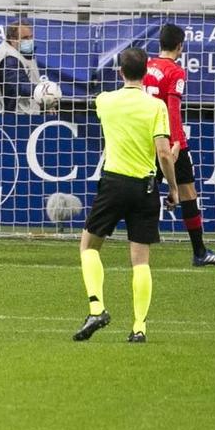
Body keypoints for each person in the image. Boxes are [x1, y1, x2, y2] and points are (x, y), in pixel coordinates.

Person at [75, 46, 180, 343]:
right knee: (140, 261)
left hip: (113, 183)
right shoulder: (156, 107)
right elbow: (162, 151)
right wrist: (172, 188)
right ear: (146, 72)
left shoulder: (105, 101)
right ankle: (139, 328)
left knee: (89, 247)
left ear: (120, 72)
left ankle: (97, 307)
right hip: (145, 187)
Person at [144, 23, 215, 268]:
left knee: (142, 192)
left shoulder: (146, 66)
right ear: (180, 46)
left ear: (160, 43)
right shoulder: (175, 71)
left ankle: (134, 244)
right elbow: (172, 108)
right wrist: (177, 141)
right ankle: (199, 252)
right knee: (188, 192)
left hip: (144, 138)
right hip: (167, 139)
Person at [0, 20, 47, 115]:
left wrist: (45, 102)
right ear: (12, 39)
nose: (30, 41)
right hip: (13, 116)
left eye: (31, 37)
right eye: (25, 38)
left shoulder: (22, 50)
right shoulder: (9, 58)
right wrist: (45, 92)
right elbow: (19, 85)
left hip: (26, 113)